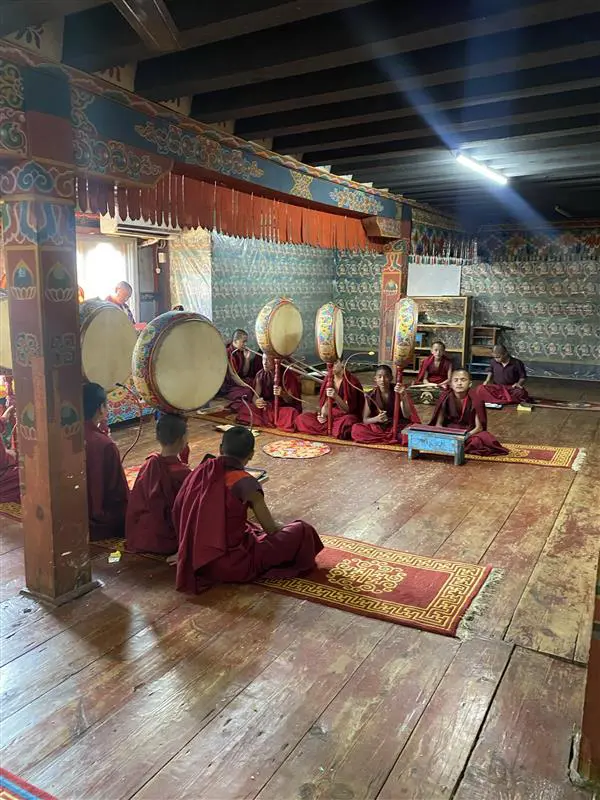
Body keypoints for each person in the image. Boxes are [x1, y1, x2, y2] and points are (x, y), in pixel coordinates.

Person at [173, 426, 323, 593]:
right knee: (302, 530)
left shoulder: (201, 471)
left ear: (221, 448)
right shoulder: (246, 483)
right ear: (251, 454)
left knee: (249, 527)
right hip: (234, 565)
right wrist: (284, 527)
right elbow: (271, 528)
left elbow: (179, 507)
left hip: (198, 560)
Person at [126, 414, 191, 555]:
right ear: (183, 439)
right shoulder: (183, 474)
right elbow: (188, 512)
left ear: (158, 438)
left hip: (140, 536)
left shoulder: (148, 465)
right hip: (166, 541)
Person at [83, 382, 129, 541]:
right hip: (101, 523)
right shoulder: (105, 445)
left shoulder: (66, 436)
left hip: (71, 517)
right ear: (101, 408)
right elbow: (119, 492)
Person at [430, 369, 509, 456]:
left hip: (469, 432)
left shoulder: (476, 399)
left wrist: (464, 437)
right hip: (450, 430)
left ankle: (455, 445)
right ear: (451, 384)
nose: (459, 383)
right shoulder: (445, 397)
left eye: (463, 380)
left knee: (482, 439)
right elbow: (438, 425)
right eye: (456, 380)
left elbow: (479, 428)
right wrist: (448, 435)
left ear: (470, 384)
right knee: (430, 436)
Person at [351, 364, 420, 445]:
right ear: (375, 379)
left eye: (386, 377)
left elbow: (407, 415)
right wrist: (377, 419)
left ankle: (389, 437)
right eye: (379, 377)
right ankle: (390, 438)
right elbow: (365, 420)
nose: (382, 380)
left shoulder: (398, 391)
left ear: (391, 378)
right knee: (356, 429)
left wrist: (404, 397)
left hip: (399, 425)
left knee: (410, 433)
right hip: (380, 427)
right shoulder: (371, 395)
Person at [295, 360, 363, 439]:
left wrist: (335, 396)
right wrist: (322, 415)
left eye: (335, 363)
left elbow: (348, 409)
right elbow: (325, 403)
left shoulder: (351, 381)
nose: (331, 367)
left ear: (342, 363)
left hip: (344, 415)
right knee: (301, 419)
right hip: (330, 416)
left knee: (347, 422)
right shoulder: (328, 378)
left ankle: (329, 429)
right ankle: (330, 430)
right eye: (329, 364)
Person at [236, 353, 302, 431]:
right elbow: (255, 397)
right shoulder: (260, 374)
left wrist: (282, 394)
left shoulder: (287, 375)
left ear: (276, 361)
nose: (265, 362)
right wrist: (257, 402)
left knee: (291, 413)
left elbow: (291, 400)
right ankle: (273, 420)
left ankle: (269, 420)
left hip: (282, 407)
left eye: (267, 360)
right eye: (263, 359)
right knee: (245, 409)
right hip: (268, 407)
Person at [220, 329, 263, 410]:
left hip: (239, 381)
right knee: (248, 391)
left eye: (246, 342)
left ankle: (256, 400)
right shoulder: (227, 353)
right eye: (243, 342)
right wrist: (244, 384)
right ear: (235, 341)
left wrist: (246, 359)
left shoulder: (240, 352)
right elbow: (233, 376)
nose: (245, 344)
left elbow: (244, 373)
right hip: (229, 386)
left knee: (256, 382)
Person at [0, 405, 20, 504]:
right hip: (4, 476)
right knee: (27, 475)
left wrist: (9, 410)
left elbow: (2, 420)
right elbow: (2, 462)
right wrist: (12, 454)